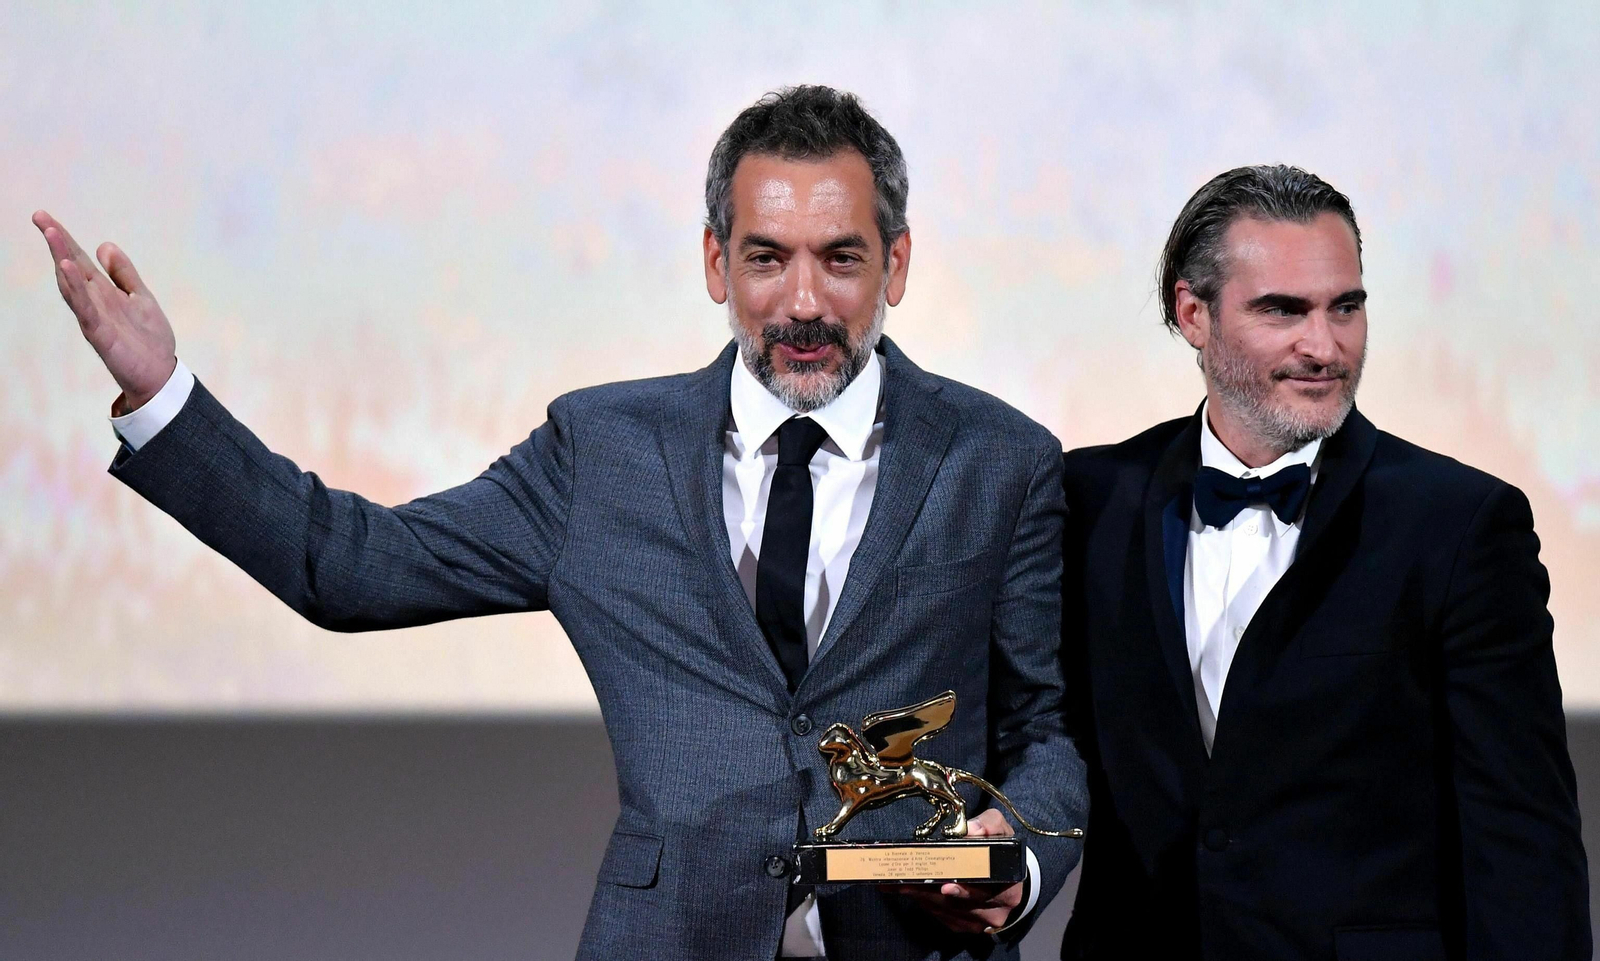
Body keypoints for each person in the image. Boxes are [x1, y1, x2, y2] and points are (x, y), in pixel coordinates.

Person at [35, 85, 1086, 961]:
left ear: (895, 264)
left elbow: (1047, 731)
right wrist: (164, 397)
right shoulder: (600, 453)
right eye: (767, 257)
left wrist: (1024, 860)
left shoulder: (1002, 461)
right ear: (715, 263)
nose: (802, 301)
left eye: (840, 259)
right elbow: (347, 564)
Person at [1058, 164, 1590, 960]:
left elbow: (1524, 839)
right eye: (1284, 309)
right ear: (1193, 313)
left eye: (1346, 306)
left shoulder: (1459, 524)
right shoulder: (1088, 497)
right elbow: (1038, 746)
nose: (1325, 345)